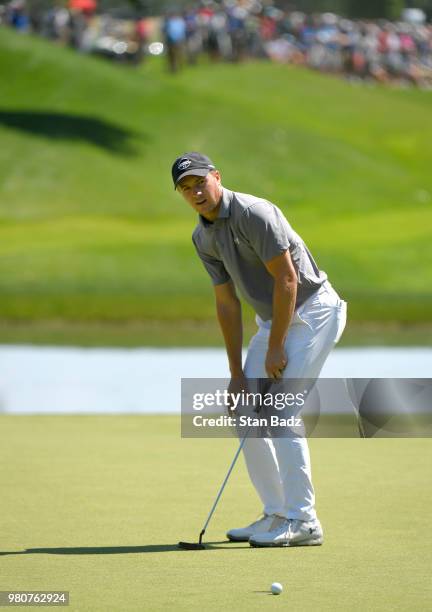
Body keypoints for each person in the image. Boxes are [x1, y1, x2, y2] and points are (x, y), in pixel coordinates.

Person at [172, 152, 347, 548]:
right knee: (244, 406)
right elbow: (227, 305)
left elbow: (287, 280)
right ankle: (276, 513)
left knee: (281, 410)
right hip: (274, 321)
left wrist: (278, 346)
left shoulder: (255, 213)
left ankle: (304, 521)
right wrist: (236, 373)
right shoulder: (204, 237)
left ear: (217, 177)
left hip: (314, 311)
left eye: (200, 181)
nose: (195, 192)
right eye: (186, 188)